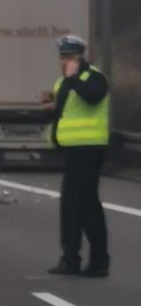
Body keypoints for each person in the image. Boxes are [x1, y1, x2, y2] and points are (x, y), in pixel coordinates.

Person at [46, 34, 110, 277]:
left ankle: (94, 261)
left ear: (80, 57)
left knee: (84, 207)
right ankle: (75, 259)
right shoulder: (63, 82)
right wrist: (49, 111)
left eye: (69, 56)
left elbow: (93, 98)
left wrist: (73, 78)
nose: (64, 61)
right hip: (72, 151)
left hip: (89, 149)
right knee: (75, 206)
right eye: (62, 57)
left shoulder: (93, 77)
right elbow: (63, 114)